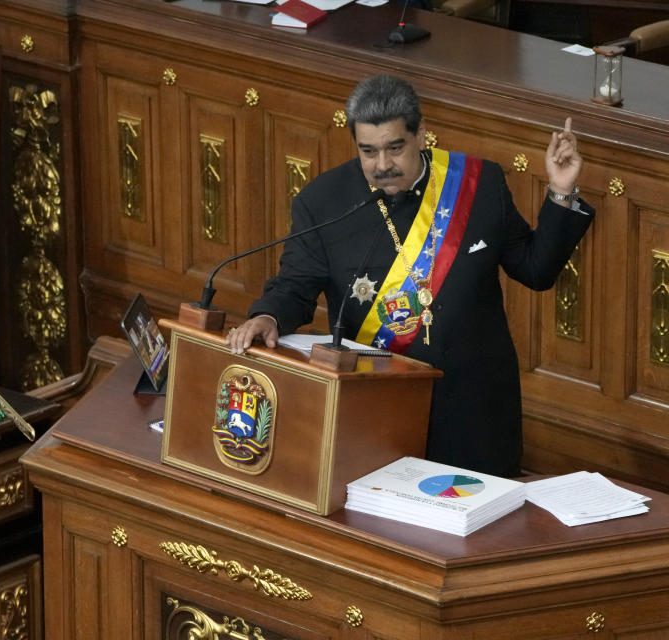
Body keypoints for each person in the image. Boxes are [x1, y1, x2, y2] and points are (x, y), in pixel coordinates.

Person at [226, 75, 593, 478]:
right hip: (376, 409)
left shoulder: (477, 183)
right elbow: (295, 287)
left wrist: (561, 191)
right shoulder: (322, 202)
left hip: (476, 412)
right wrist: (267, 317)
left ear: (422, 135)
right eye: (368, 151)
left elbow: (536, 270)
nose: (382, 165)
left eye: (395, 148)